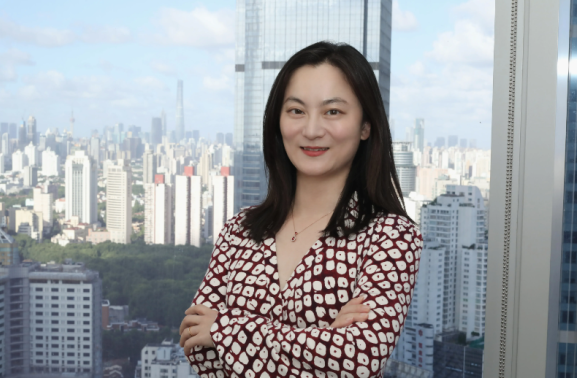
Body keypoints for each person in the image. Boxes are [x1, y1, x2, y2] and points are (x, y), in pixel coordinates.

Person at [179, 41, 422, 378]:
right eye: (296, 111)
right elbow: (197, 346)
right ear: (278, 121)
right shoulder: (240, 230)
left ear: (366, 126)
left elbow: (358, 360)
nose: (311, 130)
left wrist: (225, 332)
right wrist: (325, 343)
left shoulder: (390, 236)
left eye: (332, 111)